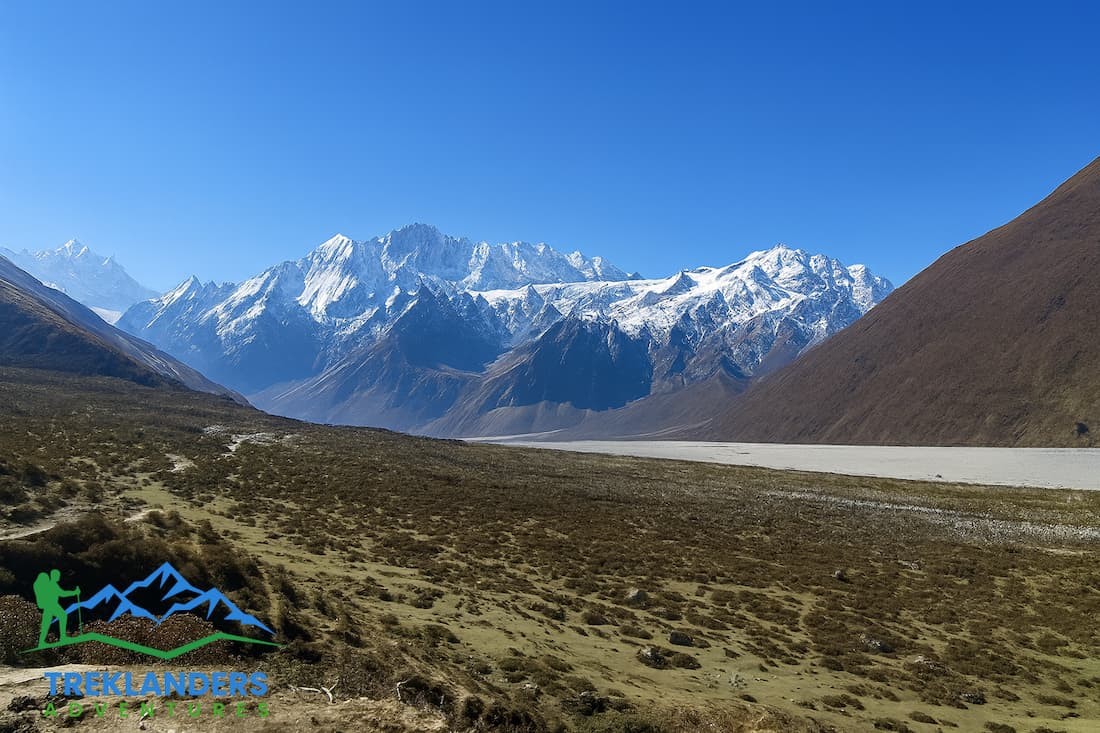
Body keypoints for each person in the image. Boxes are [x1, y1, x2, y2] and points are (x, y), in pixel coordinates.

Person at [33, 569, 80, 647]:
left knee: (47, 623)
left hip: (49, 605)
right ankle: (62, 637)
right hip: (52, 605)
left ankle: (41, 642)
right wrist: (74, 592)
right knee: (62, 616)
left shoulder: (50, 584)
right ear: (54, 576)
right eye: (57, 575)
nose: (58, 577)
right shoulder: (52, 584)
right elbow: (63, 594)